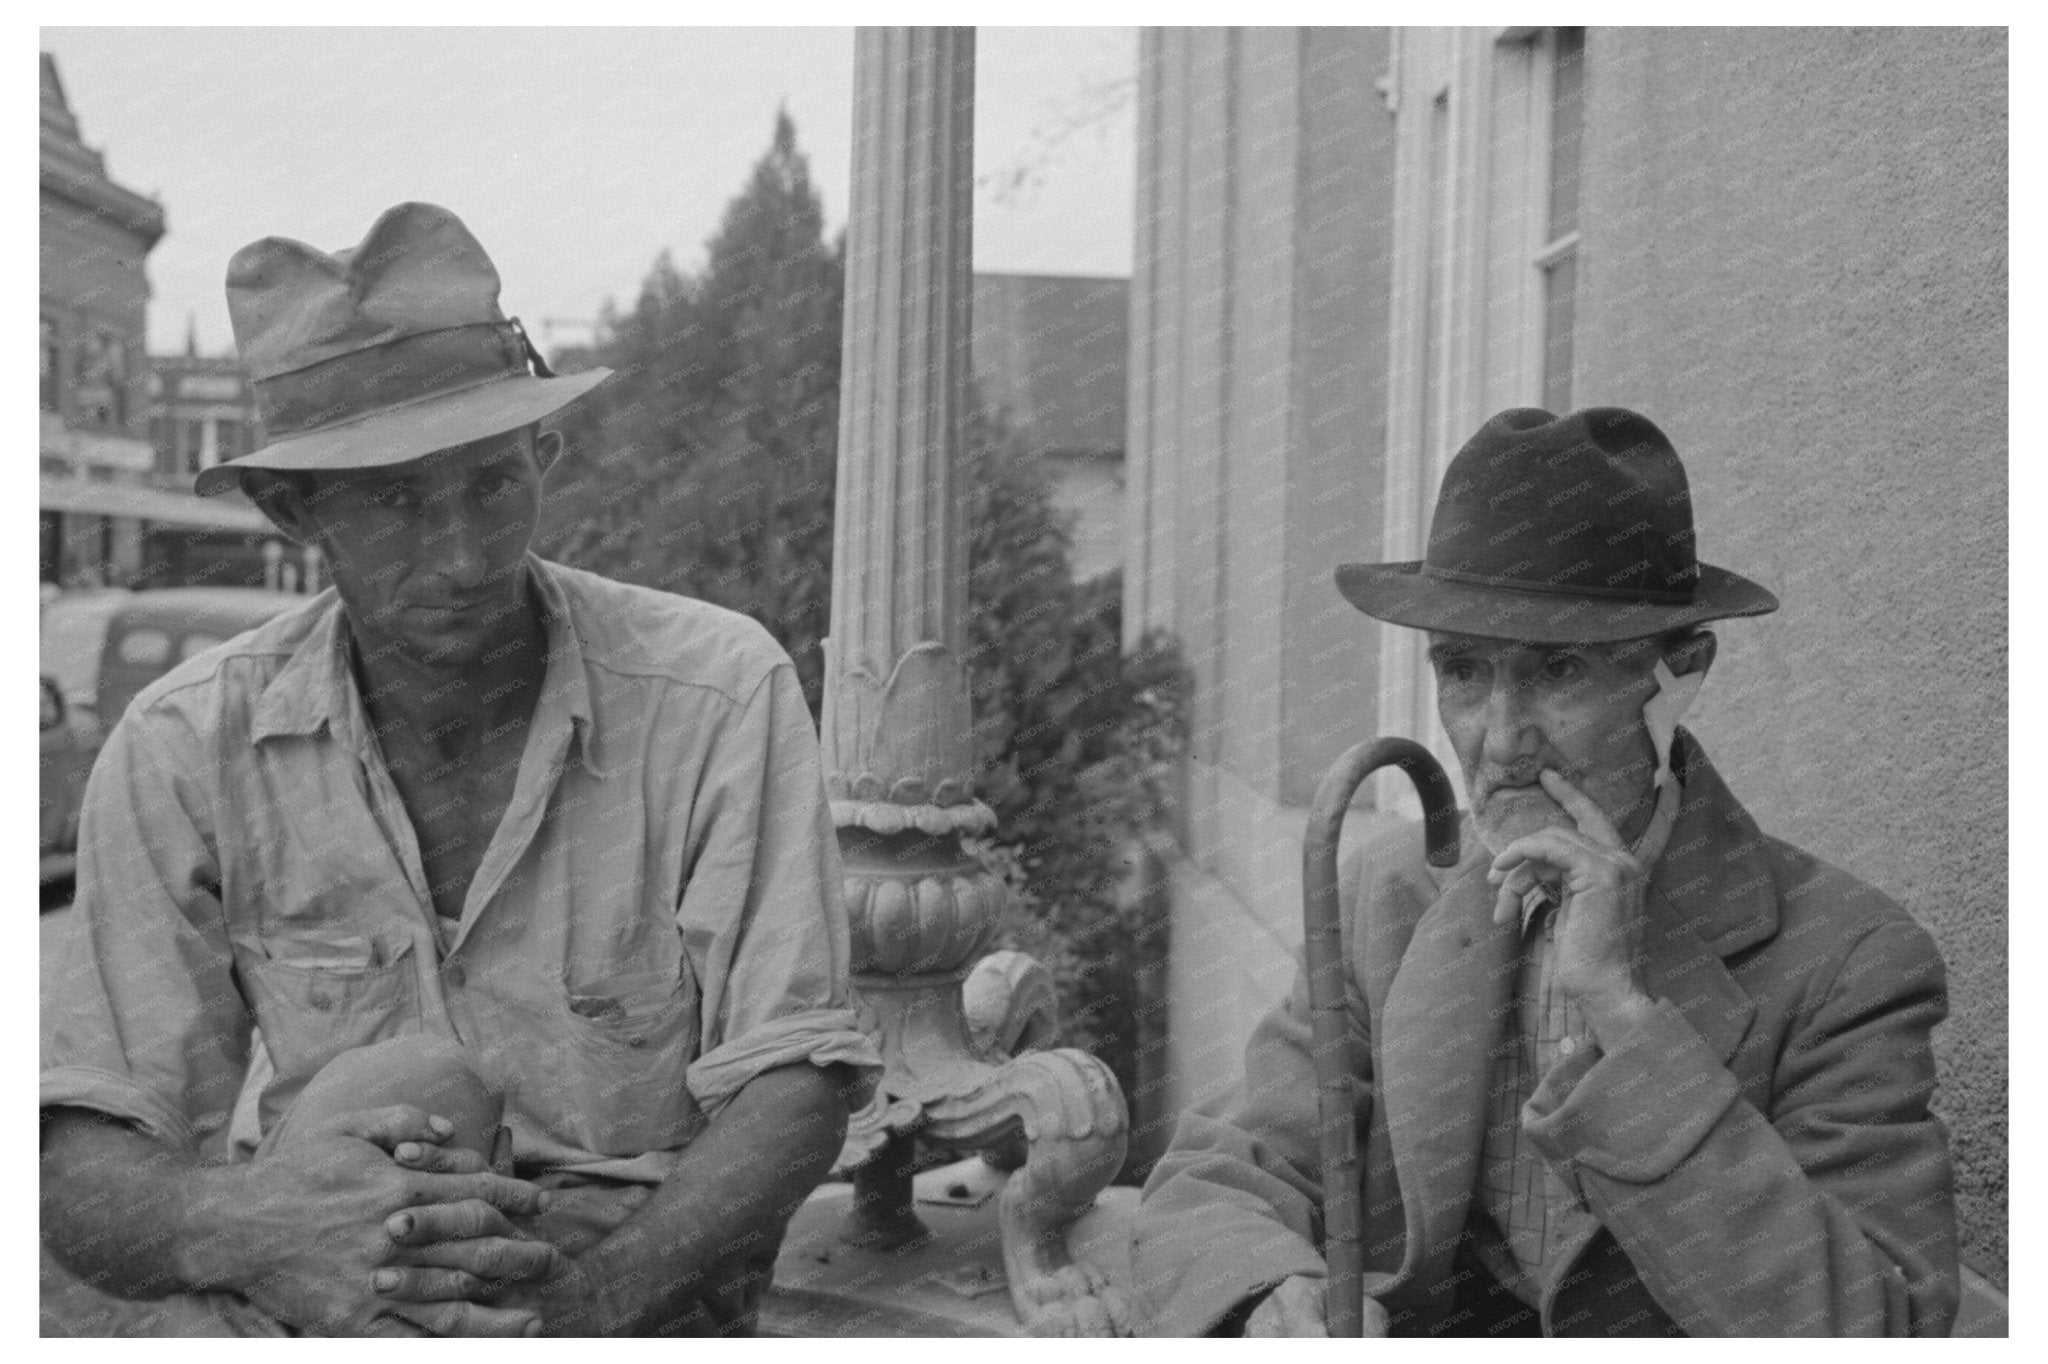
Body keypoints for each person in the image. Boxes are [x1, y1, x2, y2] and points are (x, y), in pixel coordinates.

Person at [40, 202, 880, 1337]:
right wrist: (258, 1230)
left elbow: (796, 1080)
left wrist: (580, 1314)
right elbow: (83, 1154)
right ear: (296, 510)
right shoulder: (187, 740)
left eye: (491, 483)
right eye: (393, 501)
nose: (463, 553)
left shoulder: (715, 688)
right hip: (329, 1295)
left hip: (639, 1300)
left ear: (543, 451)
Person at [1134, 407, 1958, 1337]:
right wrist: (1266, 1289)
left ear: (1679, 673)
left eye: (1559, 670)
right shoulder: (1391, 893)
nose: (1501, 738)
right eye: (1464, 671)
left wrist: (1623, 1013)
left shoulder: (1847, 959)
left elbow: (1883, 1325)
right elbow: (1222, 1165)